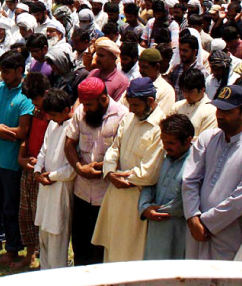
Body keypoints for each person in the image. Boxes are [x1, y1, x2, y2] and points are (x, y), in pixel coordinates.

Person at [183, 84, 242, 260]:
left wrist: (205, 223)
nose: (219, 116)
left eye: (227, 112)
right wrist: (192, 216)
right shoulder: (208, 138)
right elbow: (189, 179)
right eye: (218, 110)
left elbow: (240, 200)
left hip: (226, 235)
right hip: (195, 230)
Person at [92, 77, 165, 262]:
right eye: (129, 104)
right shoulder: (130, 118)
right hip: (116, 193)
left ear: (150, 102)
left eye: (135, 105)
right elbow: (114, 149)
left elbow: (149, 172)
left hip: (137, 198)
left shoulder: (161, 127)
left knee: (130, 253)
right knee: (112, 250)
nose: (131, 109)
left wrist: (123, 177)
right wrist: (109, 173)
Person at [64, 76, 127, 266]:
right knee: (80, 246)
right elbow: (69, 143)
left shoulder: (122, 115)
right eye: (83, 104)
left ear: (103, 98)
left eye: (90, 105)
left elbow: (123, 154)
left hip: (106, 195)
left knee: (99, 249)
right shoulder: (81, 112)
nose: (86, 108)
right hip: (82, 192)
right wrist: (79, 168)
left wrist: (105, 168)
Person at [0, 50, 34, 264]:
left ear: (20, 71)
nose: (2, 75)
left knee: (11, 207)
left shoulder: (26, 95)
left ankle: (12, 248)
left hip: (11, 163)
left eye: (7, 71)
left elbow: (22, 131)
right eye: (1, 70)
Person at [139, 113, 195, 260]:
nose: (165, 146)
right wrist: (145, 207)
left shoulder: (196, 162)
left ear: (188, 140)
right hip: (154, 227)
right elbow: (149, 181)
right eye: (163, 141)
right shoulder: (161, 156)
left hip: (178, 227)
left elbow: (185, 198)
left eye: (170, 143)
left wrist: (158, 211)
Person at [34, 88, 76, 270]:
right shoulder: (53, 124)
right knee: (43, 233)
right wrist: (37, 170)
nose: (50, 118)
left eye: (53, 115)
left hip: (60, 190)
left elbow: (71, 168)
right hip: (45, 186)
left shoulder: (73, 129)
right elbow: (44, 149)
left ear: (66, 110)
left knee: (57, 235)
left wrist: (51, 176)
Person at [16, 72, 51, 269]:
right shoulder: (36, 111)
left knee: (42, 216)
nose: (33, 103)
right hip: (28, 168)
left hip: (44, 172)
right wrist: (22, 158)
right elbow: (26, 136)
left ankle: (44, 258)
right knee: (26, 213)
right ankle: (30, 254)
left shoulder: (55, 114)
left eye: (35, 99)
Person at [172, 68, 217, 137]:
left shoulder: (211, 111)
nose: (186, 95)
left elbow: (205, 140)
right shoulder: (177, 107)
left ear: (202, 89)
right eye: (184, 91)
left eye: (190, 92)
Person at [137, 48, 177, 115]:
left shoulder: (166, 91)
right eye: (140, 66)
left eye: (145, 67)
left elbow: (160, 117)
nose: (141, 70)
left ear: (157, 67)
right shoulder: (135, 84)